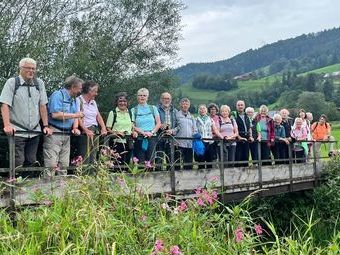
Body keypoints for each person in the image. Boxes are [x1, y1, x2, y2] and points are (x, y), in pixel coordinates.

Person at [0, 57, 52, 168]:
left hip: (34, 130)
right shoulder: (12, 82)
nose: (31, 71)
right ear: (21, 68)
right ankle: (14, 184)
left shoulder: (39, 84)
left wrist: (46, 125)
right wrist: (7, 125)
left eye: (34, 68)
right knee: (18, 161)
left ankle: (27, 185)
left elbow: (43, 105)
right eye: (28, 68)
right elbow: (5, 104)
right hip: (17, 130)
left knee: (31, 161)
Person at [43, 75, 83, 175]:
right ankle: (48, 188)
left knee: (64, 165)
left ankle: (61, 189)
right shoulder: (57, 95)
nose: (80, 91)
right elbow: (55, 115)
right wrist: (75, 115)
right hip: (54, 132)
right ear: (73, 87)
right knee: (51, 164)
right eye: (79, 88)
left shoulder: (73, 99)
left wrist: (75, 127)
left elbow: (74, 116)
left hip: (67, 133)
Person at [75, 81, 107, 164]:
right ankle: (83, 175)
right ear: (89, 91)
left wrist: (103, 128)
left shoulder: (93, 102)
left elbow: (98, 116)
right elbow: (77, 117)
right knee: (85, 155)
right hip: (84, 131)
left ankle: (92, 175)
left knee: (94, 155)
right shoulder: (78, 100)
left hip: (95, 130)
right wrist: (86, 130)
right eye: (95, 91)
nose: (96, 94)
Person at [131, 88, 161, 165]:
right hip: (139, 138)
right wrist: (143, 132)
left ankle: (150, 177)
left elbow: (158, 123)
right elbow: (132, 125)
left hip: (152, 137)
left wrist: (151, 132)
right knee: (139, 161)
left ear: (147, 97)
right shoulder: (133, 110)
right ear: (137, 97)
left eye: (144, 95)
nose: (142, 97)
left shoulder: (153, 108)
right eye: (140, 95)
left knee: (150, 161)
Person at [106, 92, 136, 166]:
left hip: (128, 143)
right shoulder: (113, 113)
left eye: (124, 101)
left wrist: (134, 132)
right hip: (116, 143)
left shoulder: (130, 113)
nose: (122, 103)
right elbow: (108, 128)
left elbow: (132, 125)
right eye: (120, 101)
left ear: (127, 102)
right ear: (117, 102)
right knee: (116, 165)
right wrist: (116, 133)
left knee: (126, 165)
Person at [195, 104, 223, 169]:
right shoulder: (196, 119)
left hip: (210, 142)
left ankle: (209, 177)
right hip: (200, 142)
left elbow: (215, 130)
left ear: (206, 110)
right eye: (201, 109)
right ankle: (201, 177)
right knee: (201, 161)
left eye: (204, 108)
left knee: (209, 160)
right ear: (198, 110)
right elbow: (194, 130)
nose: (202, 110)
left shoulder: (210, 119)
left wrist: (222, 137)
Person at [173, 98, 197, 170]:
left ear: (189, 105)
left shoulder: (191, 117)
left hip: (189, 143)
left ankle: (188, 179)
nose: (185, 105)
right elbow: (173, 127)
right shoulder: (176, 115)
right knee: (177, 163)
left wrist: (195, 136)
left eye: (187, 104)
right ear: (180, 105)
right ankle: (176, 179)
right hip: (178, 143)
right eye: (183, 104)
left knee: (188, 163)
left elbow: (195, 129)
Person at [156, 92, 178, 169]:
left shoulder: (175, 111)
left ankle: (171, 180)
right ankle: (157, 179)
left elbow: (179, 126)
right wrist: (159, 126)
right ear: (161, 100)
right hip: (159, 138)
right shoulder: (156, 110)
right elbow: (153, 123)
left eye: (168, 98)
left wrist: (172, 130)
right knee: (158, 160)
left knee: (171, 161)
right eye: (164, 98)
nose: (166, 100)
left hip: (171, 139)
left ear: (171, 100)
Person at [232, 100, 253, 166]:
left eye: (241, 105)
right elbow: (233, 128)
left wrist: (250, 136)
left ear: (244, 106)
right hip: (238, 138)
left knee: (246, 156)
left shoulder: (247, 116)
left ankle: (245, 174)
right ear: (236, 106)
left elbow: (249, 127)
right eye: (238, 105)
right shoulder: (234, 115)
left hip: (246, 138)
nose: (240, 106)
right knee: (238, 157)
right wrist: (239, 137)